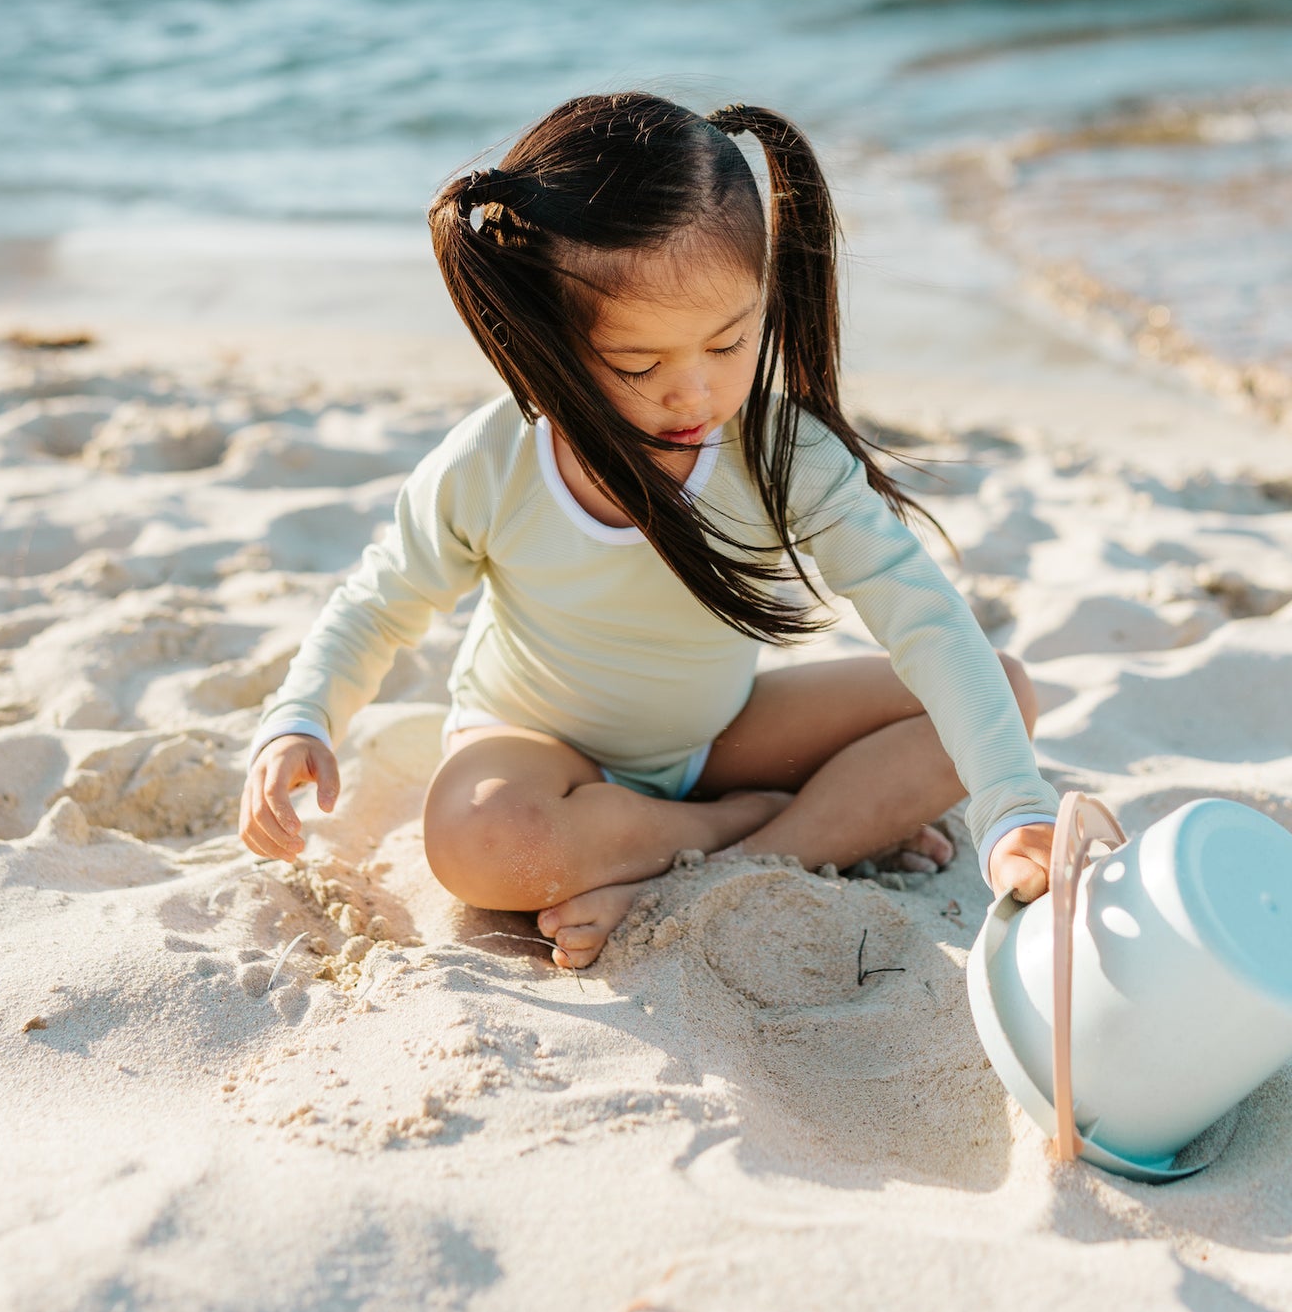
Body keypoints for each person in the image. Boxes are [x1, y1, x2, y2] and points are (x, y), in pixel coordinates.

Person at [238, 93, 1059, 967]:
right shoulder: (495, 460)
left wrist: (1015, 806)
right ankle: (758, 825)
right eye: (638, 364)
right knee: (478, 842)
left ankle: (726, 856)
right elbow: (382, 600)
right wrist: (301, 717)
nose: (693, 394)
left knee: (998, 691)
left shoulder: (781, 454)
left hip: (716, 736)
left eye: (728, 343)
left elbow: (924, 619)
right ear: (548, 339)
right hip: (534, 746)